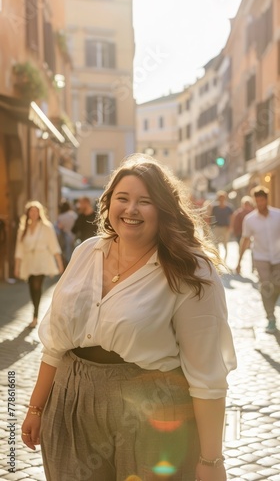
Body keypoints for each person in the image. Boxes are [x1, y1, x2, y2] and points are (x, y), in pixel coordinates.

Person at [21, 155, 236, 481]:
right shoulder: (85, 253)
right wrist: (36, 408)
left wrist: (211, 460)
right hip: (69, 404)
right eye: (122, 198)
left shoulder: (191, 269)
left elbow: (207, 376)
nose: (131, 209)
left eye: (144, 201)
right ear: (108, 204)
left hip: (153, 413)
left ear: (163, 209)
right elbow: (54, 343)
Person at [236, 186, 280, 334]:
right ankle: (271, 318)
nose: (260, 203)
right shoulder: (250, 220)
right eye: (257, 201)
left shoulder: (278, 215)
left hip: (278, 258)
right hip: (261, 258)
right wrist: (239, 261)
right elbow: (245, 240)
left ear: (266, 200)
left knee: (277, 285)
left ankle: (271, 308)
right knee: (266, 286)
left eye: (262, 200)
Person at [14, 201, 64, 328]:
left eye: (36, 211)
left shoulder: (46, 227)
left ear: (39, 213)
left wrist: (59, 264)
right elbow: (19, 249)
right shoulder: (23, 228)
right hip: (28, 262)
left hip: (42, 261)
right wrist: (17, 266)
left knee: (37, 286)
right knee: (31, 288)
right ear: (28, 213)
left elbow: (54, 246)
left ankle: (35, 316)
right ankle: (34, 312)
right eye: (31, 211)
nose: (34, 213)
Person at [210, 191, 234, 260]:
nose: (221, 199)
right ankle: (218, 257)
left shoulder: (229, 207)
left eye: (222, 197)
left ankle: (225, 258)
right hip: (217, 227)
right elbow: (210, 216)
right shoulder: (214, 207)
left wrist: (231, 226)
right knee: (215, 242)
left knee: (225, 243)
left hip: (225, 227)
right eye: (220, 198)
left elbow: (232, 217)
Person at [55, 199, 77, 266]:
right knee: (74, 251)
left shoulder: (60, 217)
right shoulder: (73, 214)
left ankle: (68, 265)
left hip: (65, 236)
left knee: (67, 252)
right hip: (74, 235)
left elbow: (58, 227)